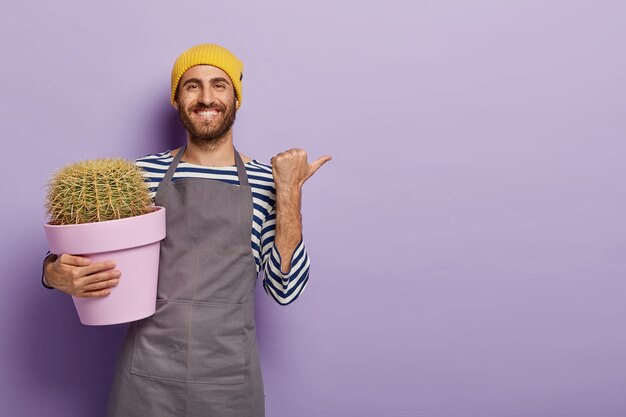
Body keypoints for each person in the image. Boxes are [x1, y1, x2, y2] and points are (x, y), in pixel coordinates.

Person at [42, 43, 331, 417]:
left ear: (237, 98)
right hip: (145, 380)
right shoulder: (137, 176)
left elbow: (285, 290)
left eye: (219, 85)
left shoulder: (268, 182)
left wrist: (289, 191)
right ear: (176, 100)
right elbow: (80, 248)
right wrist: (53, 273)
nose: (206, 97)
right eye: (192, 85)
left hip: (231, 383)